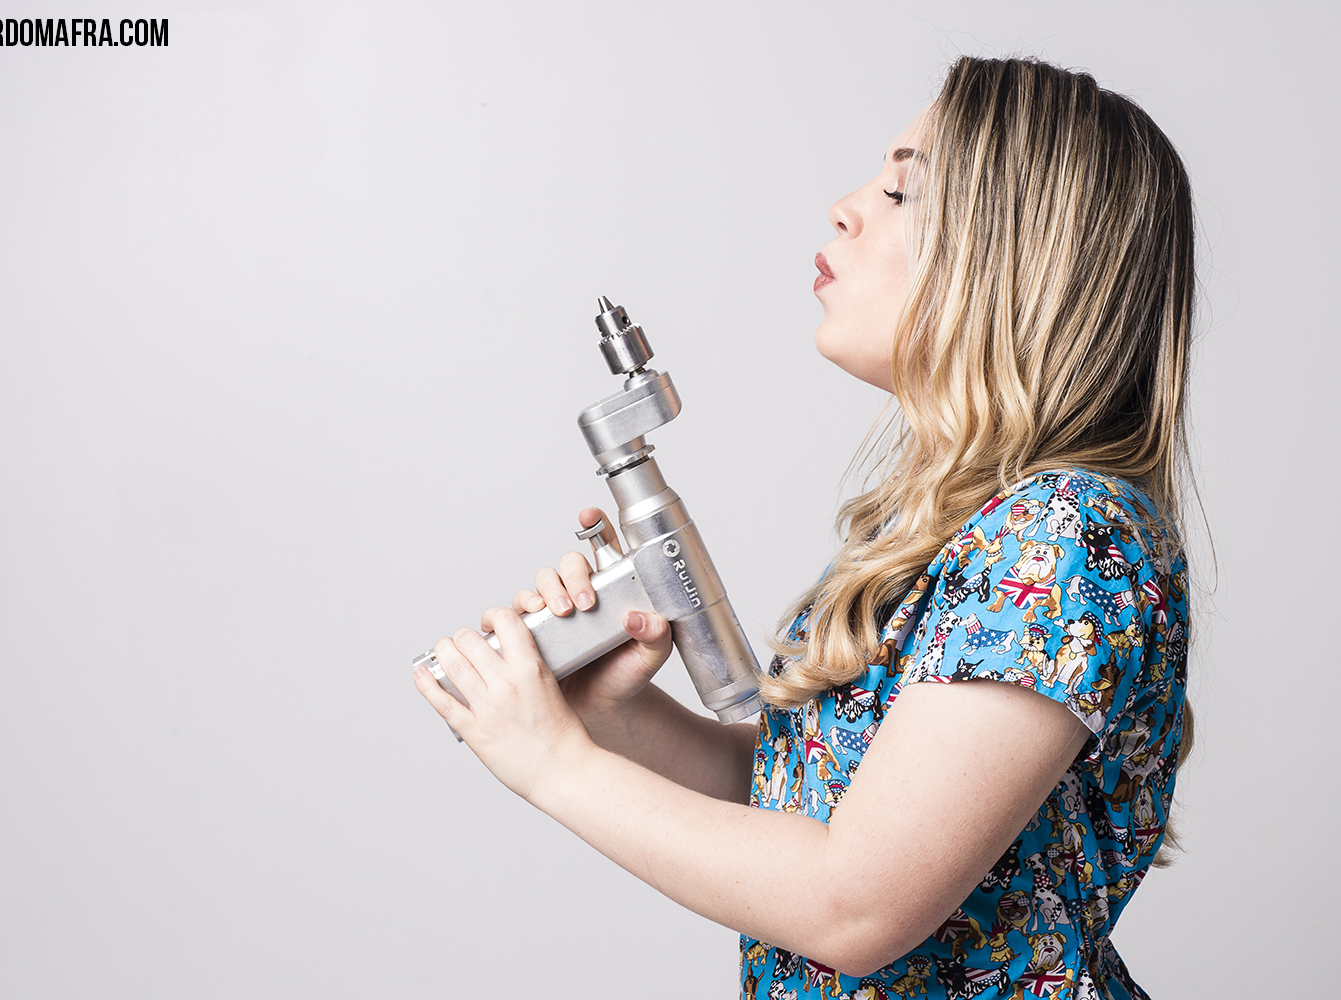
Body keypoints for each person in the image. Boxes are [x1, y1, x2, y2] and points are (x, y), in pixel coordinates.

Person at [413, 56, 1194, 999]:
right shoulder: (969, 529)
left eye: (905, 189)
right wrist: (618, 715)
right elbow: (808, 814)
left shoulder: (1063, 541)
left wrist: (555, 765)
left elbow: (855, 904)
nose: (847, 207)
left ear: (1021, 260)